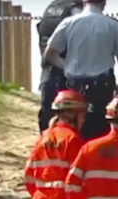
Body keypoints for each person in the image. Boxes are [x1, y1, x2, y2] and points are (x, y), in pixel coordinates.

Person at [44, 0, 118, 141]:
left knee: (72, 130)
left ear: (84, 2)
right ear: (104, 3)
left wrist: (66, 66)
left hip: (74, 85)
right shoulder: (112, 25)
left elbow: (50, 53)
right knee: (100, 131)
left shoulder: (69, 23)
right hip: (102, 86)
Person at [37, 0, 83, 133]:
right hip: (69, 72)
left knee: (48, 114)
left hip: (48, 70)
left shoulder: (51, 8)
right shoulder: (76, 11)